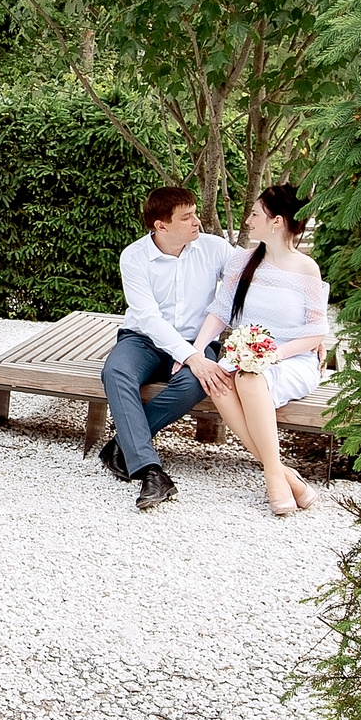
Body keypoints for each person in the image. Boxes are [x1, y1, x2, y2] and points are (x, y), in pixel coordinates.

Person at [194, 184, 331, 517]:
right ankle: (285, 474)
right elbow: (220, 309)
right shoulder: (243, 260)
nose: (249, 219)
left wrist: (271, 355)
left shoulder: (306, 269)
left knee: (250, 378)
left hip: (290, 358)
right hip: (246, 356)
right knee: (218, 382)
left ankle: (273, 476)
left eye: (255, 213)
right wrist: (197, 351)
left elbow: (315, 332)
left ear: (278, 222)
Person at [98, 185, 236, 511]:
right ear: (161, 225)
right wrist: (186, 355)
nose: (197, 222)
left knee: (199, 381)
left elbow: (250, 280)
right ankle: (151, 471)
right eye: (186, 217)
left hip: (196, 342)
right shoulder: (134, 256)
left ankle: (123, 444)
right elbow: (147, 317)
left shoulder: (215, 248)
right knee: (115, 371)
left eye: (195, 214)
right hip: (142, 339)